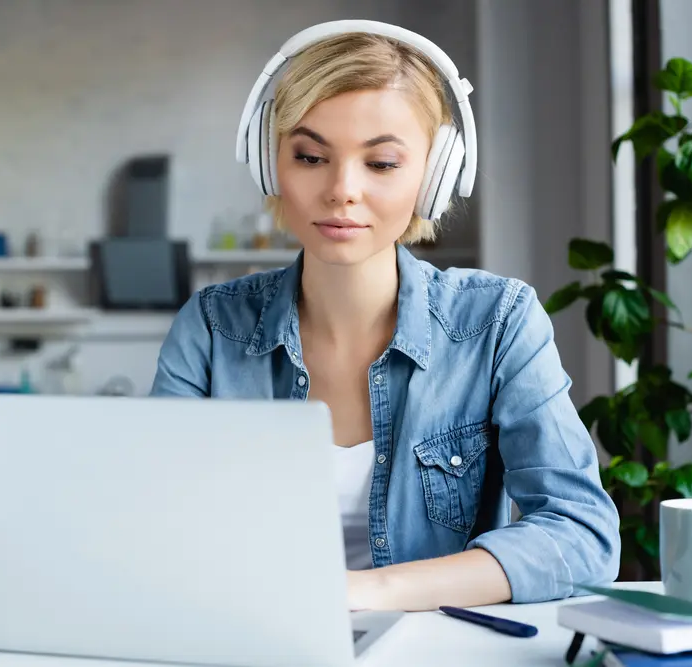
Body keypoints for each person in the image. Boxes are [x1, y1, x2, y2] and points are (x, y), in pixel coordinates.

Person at [149, 20, 620, 612]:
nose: (342, 189)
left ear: (436, 176)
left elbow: (581, 537)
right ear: (271, 165)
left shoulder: (499, 322)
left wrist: (367, 591)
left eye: (382, 163)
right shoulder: (212, 328)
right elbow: (154, 523)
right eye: (311, 155)